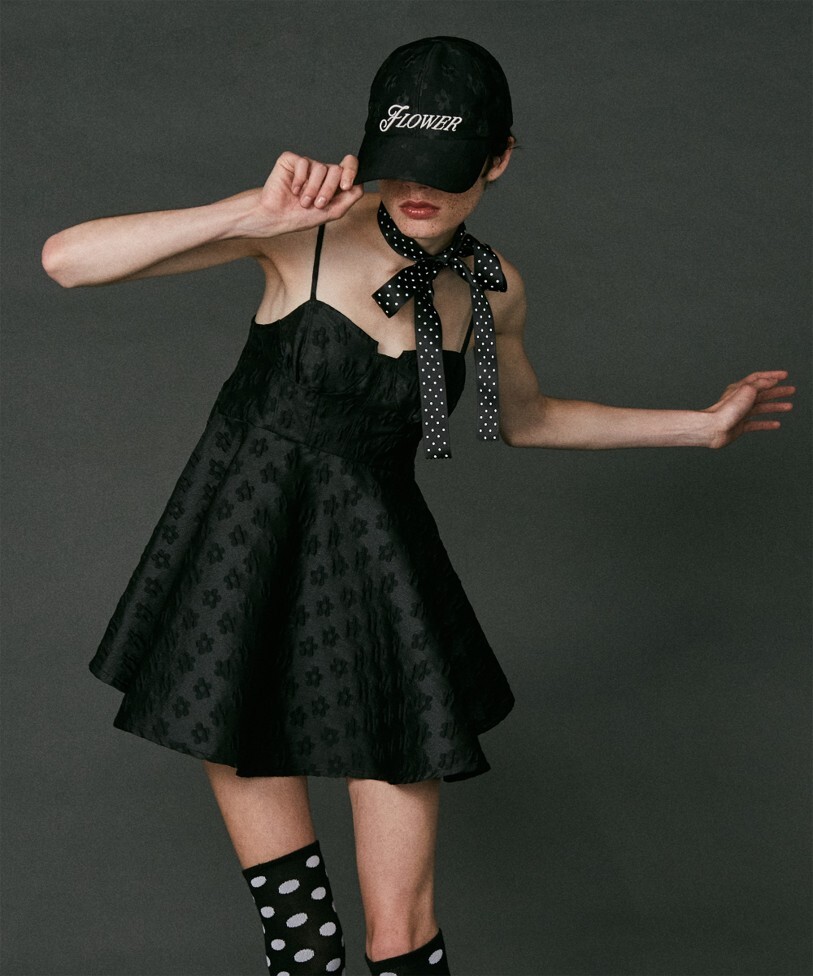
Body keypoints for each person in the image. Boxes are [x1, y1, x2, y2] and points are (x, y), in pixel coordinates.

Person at [40, 35, 794, 976]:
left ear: (498, 158)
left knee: (400, 939)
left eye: (445, 167)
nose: (416, 190)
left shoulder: (489, 286)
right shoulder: (305, 230)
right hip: (243, 570)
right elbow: (67, 261)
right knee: (302, 946)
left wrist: (700, 427)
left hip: (378, 576)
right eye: (398, 165)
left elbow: (525, 419)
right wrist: (249, 209)